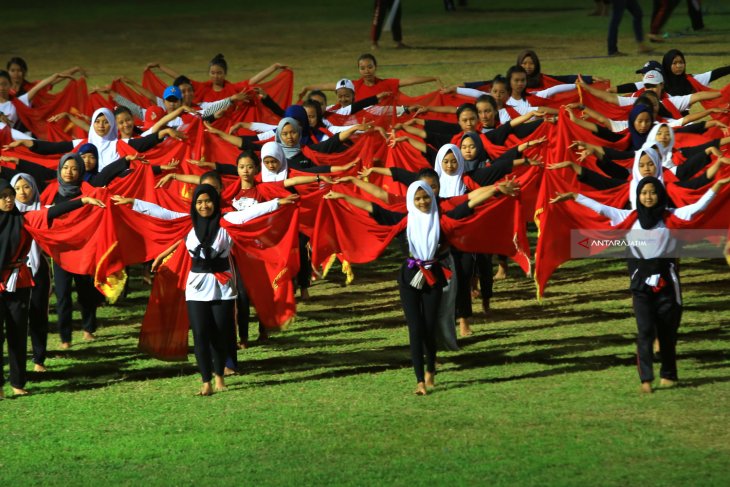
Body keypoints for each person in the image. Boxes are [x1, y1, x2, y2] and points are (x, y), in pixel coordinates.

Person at [324, 178, 520, 395]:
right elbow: (373, 209)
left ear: (432, 197)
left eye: (426, 197)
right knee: (415, 328)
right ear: (411, 200)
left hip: (433, 278)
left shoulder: (443, 220)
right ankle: (419, 381)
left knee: (428, 326)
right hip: (409, 278)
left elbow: (470, 205)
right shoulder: (404, 222)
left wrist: (495, 189)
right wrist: (343, 196)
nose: (422, 202)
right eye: (417, 198)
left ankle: (430, 371)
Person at [550, 175, 730, 393]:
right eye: (644, 192)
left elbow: (698, 207)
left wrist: (719, 185)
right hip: (641, 288)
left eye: (653, 192)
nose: (648, 196)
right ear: (638, 196)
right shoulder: (628, 217)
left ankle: (669, 375)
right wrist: (574, 196)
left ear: (660, 194)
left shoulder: (672, 216)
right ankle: (646, 379)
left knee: (667, 334)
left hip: (667, 287)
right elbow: (602, 209)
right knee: (645, 331)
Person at [142, 184, 297, 396]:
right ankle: (205, 382)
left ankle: (219, 378)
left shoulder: (228, 221)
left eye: (207, 201)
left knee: (220, 333)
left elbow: (252, 212)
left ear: (215, 202)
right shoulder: (186, 224)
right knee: (200, 333)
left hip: (223, 286)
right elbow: (160, 213)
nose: (203, 206)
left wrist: (278, 203)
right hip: (196, 287)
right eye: (199, 202)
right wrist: (132, 203)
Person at [0, 177, 104, 398]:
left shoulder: (25, 219)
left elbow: (51, 213)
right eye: (4, 196)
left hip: (19, 282)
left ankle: (17, 383)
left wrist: (83, 200)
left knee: (17, 334)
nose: (9, 199)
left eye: (10, 195)